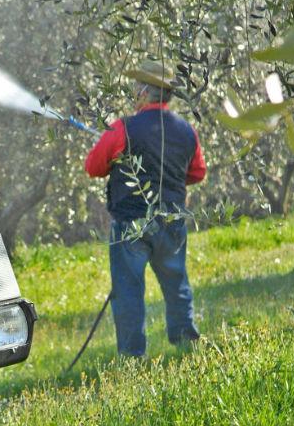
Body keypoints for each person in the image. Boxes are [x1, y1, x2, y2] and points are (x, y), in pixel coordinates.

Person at [84, 61, 207, 357]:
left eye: (135, 88)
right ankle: (186, 342)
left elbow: (93, 167)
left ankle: (132, 356)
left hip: (131, 226)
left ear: (143, 91)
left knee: (128, 292)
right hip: (172, 222)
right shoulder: (186, 130)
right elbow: (197, 173)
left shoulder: (122, 129)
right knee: (177, 284)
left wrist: (114, 153)